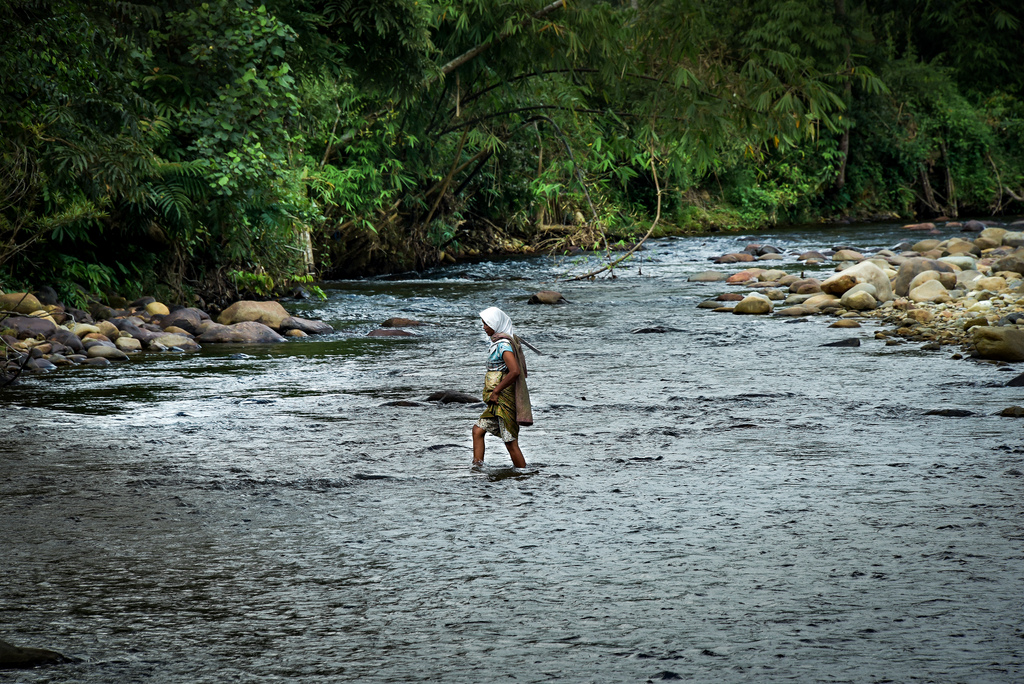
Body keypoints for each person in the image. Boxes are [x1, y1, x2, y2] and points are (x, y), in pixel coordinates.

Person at [472, 307, 532, 468]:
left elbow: (514, 371)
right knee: (478, 430)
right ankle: (477, 469)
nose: (483, 327)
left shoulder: (503, 346)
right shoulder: (497, 343)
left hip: (503, 399)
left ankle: (523, 476)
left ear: (495, 324)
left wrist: (496, 391)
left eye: (486, 324)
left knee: (510, 441)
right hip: (496, 402)